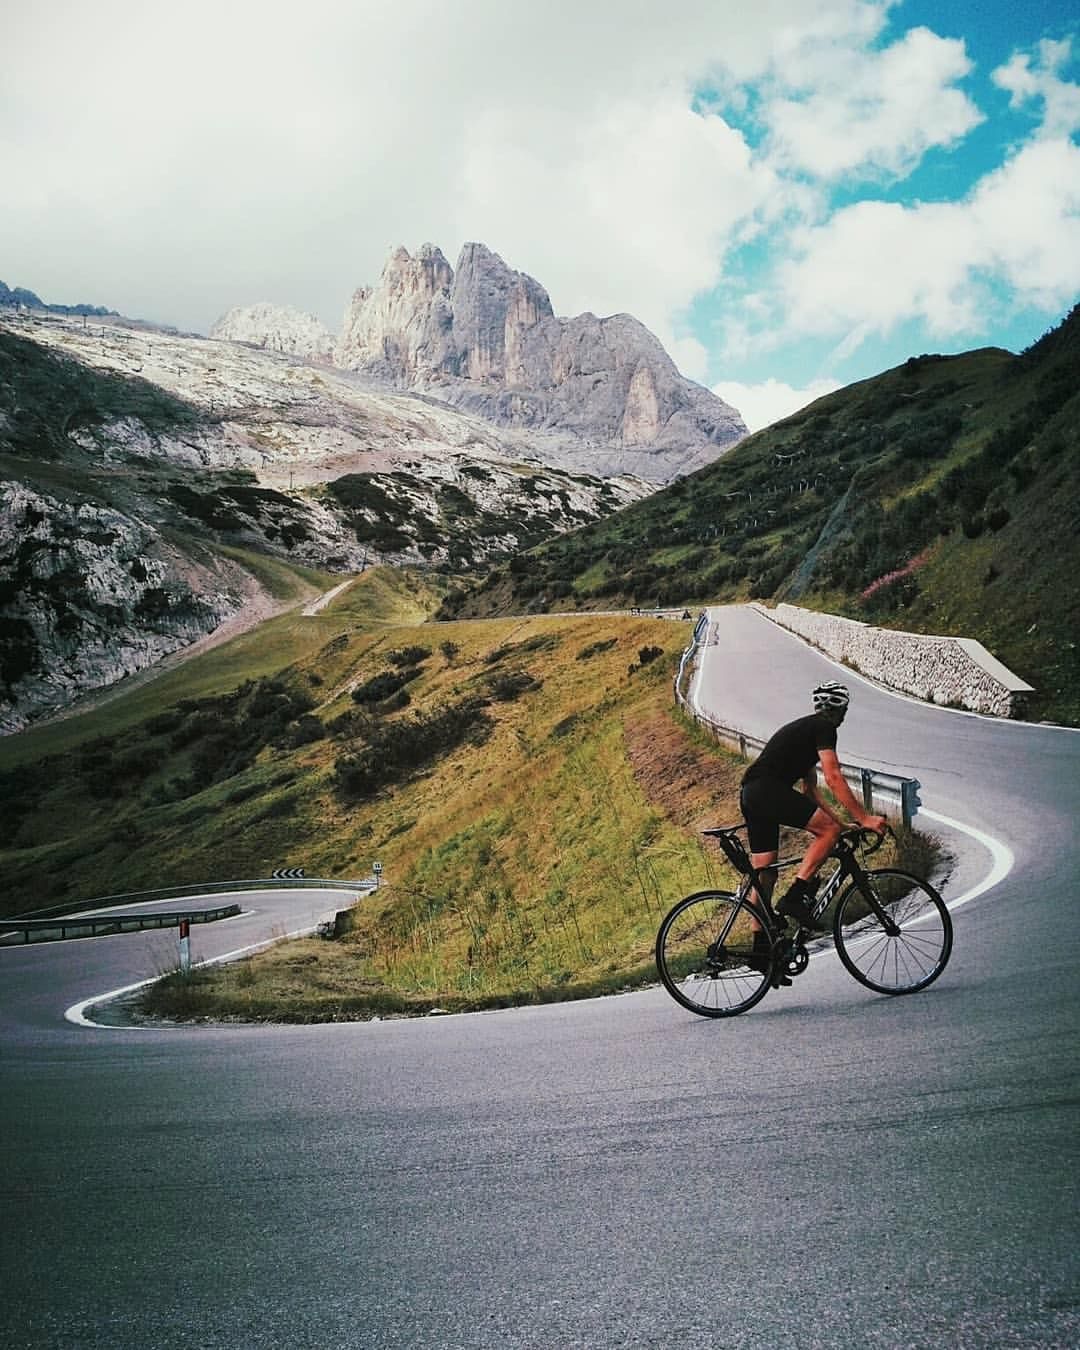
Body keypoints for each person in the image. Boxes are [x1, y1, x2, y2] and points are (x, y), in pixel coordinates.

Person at [739, 682, 887, 964]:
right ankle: (795, 896)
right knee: (825, 833)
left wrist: (841, 823)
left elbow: (810, 791)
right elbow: (833, 777)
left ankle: (759, 950)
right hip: (767, 790)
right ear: (840, 710)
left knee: (765, 874)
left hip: (751, 793)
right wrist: (863, 818)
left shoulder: (804, 732)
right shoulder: (824, 728)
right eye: (844, 710)